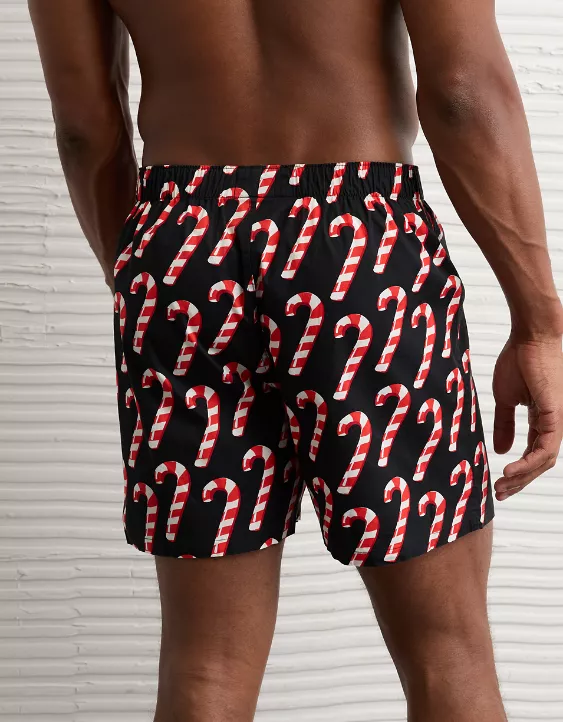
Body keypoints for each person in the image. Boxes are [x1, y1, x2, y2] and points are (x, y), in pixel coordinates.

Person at [27, 1, 563, 721]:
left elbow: (85, 129)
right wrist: (539, 324)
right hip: (359, 247)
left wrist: (154, 281)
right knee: (447, 655)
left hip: (179, 243)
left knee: (206, 669)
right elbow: (463, 93)